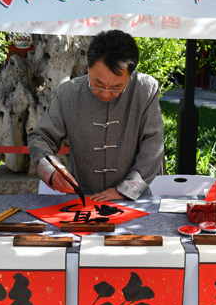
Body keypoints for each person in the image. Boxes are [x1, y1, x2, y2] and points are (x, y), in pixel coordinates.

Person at [28, 29, 164, 201]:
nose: (106, 94)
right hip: (84, 199)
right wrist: (51, 168)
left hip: (134, 201)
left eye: (116, 87)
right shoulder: (68, 93)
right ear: (88, 64)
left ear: (131, 74)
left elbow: (153, 145)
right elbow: (40, 137)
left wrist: (127, 189)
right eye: (97, 84)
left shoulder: (145, 90)